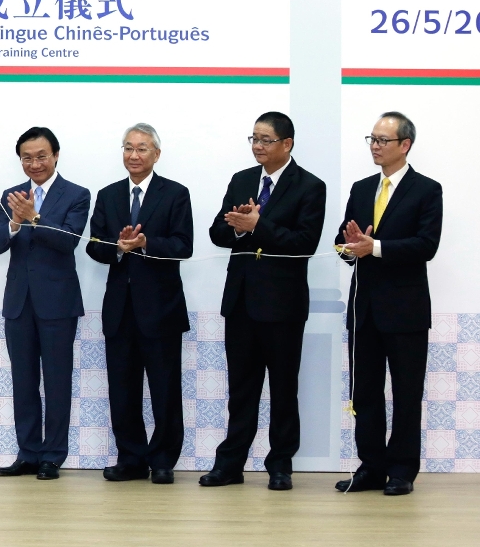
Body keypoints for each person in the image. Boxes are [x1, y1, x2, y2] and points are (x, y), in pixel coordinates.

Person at [202, 112, 325, 491]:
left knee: (284, 388)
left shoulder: (309, 186)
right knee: (241, 389)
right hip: (240, 301)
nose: (257, 146)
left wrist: (259, 226)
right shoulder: (242, 180)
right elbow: (217, 233)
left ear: (286, 144)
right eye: (253, 138)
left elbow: (305, 244)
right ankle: (230, 464)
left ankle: (280, 464)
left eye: (265, 140)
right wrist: (236, 225)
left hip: (283, 305)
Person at [334, 112, 442, 496]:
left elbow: (426, 246)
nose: (375, 146)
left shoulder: (427, 190)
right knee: (364, 392)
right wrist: (348, 246)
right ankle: (371, 467)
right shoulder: (363, 188)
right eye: (372, 139)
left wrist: (374, 247)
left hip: (406, 310)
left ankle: (402, 470)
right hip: (364, 309)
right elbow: (342, 243)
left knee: (406, 393)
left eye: (383, 140)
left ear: (405, 145)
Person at [86, 123, 193, 485]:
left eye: (142, 149)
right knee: (123, 389)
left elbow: (183, 246)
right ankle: (130, 458)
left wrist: (146, 244)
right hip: (119, 310)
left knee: (165, 390)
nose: (134, 155)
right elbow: (92, 245)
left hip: (161, 310)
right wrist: (117, 247)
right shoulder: (108, 195)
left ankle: (163, 460)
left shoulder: (176, 194)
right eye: (128, 148)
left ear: (156, 154)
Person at [0, 127, 90, 481]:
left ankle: (52, 455)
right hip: (19, 303)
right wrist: (15, 222)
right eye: (27, 158)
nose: (35, 164)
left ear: (56, 155)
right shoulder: (10, 195)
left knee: (58, 381)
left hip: (58, 304)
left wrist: (34, 217)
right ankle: (28, 452)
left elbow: (68, 242)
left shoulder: (76, 194)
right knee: (24, 381)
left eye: (41, 156)